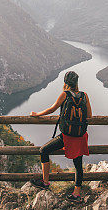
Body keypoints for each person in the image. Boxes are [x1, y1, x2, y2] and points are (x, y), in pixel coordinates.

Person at [30, 70, 91, 202]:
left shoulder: (65, 94)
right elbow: (89, 116)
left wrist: (37, 114)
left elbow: (51, 109)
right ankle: (76, 194)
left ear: (65, 82)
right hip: (80, 136)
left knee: (43, 150)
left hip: (66, 136)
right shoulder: (85, 96)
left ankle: (45, 182)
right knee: (78, 165)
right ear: (76, 82)